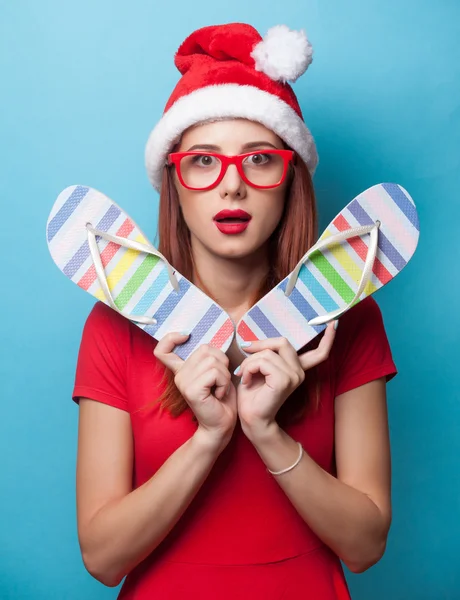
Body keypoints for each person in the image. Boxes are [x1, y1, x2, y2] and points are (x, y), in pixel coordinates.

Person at [72, 23, 397, 599]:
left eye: (259, 160)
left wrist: (266, 432)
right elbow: (102, 558)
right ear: (175, 180)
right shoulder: (113, 325)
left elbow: (367, 547)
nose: (232, 187)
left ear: (289, 177)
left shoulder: (349, 320)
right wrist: (210, 437)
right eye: (203, 161)